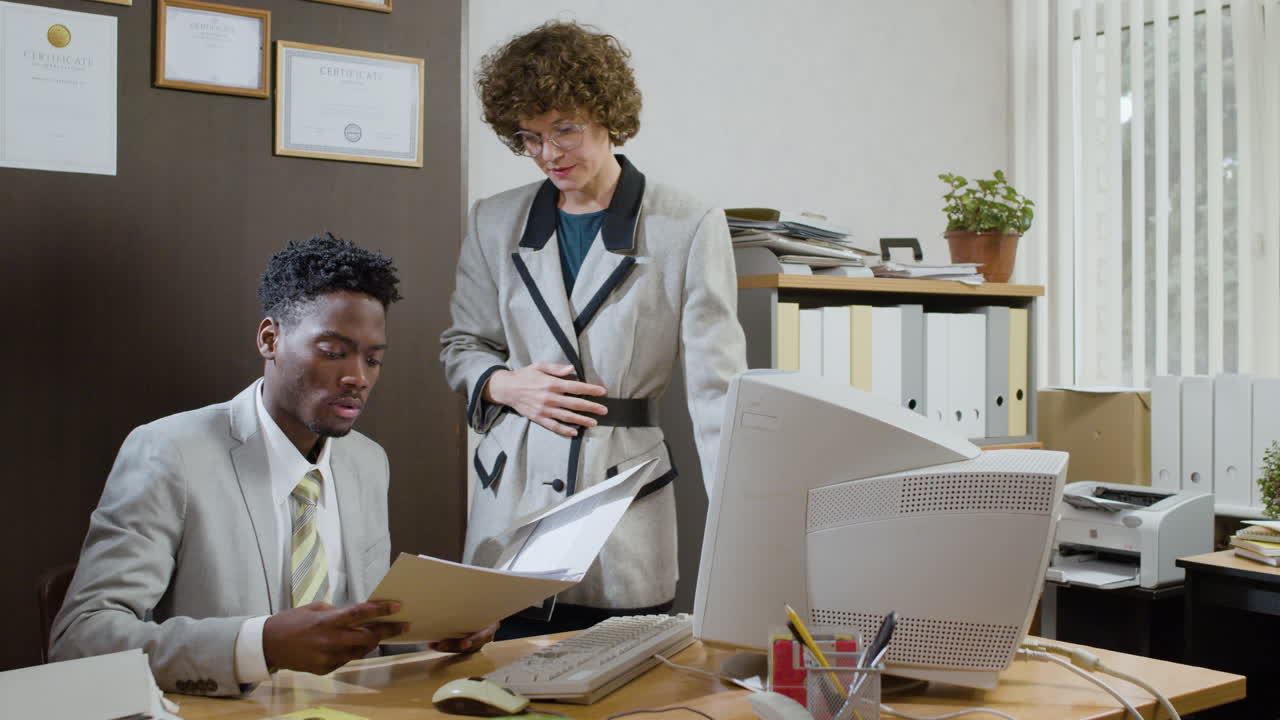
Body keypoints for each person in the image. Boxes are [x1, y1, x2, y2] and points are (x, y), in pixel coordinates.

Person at [52, 233, 495, 696]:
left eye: (373, 359)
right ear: (270, 339)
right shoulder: (169, 452)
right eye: (333, 352)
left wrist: (439, 633)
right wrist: (259, 646)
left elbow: (366, 637)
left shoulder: (367, 462)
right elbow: (80, 640)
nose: (358, 378)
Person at [440, 20, 747, 636]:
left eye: (565, 130)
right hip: (514, 494)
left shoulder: (688, 224)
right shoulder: (493, 221)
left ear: (609, 116)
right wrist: (506, 385)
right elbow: (463, 346)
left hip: (621, 501)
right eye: (530, 137)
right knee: (504, 681)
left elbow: (719, 396)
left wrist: (740, 528)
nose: (549, 153)